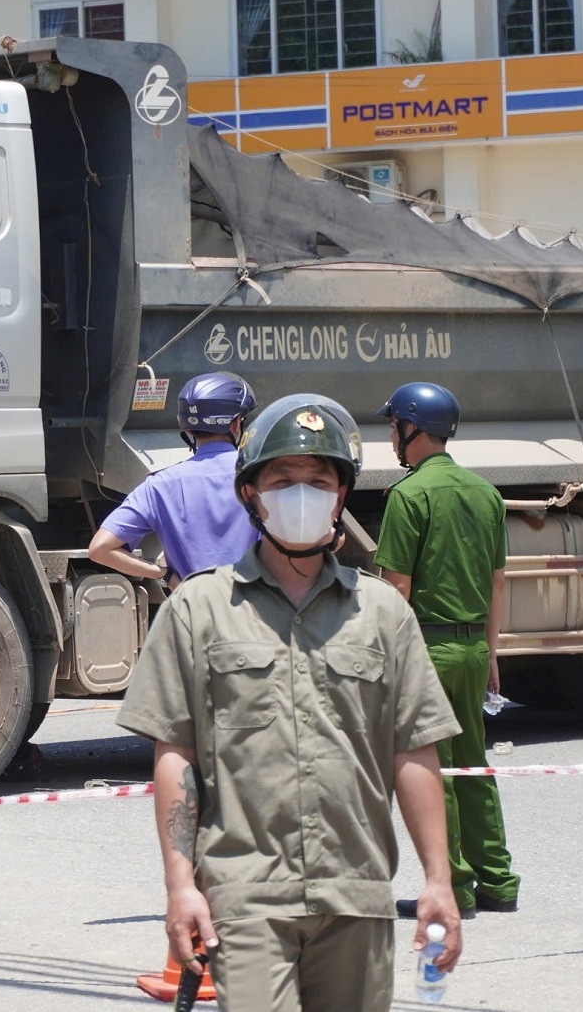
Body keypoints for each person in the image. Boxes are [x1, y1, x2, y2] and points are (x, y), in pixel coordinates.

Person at [119, 393, 464, 1010]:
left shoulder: (383, 614)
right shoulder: (198, 610)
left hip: (357, 896)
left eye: (318, 480)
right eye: (282, 479)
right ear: (250, 494)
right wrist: (180, 887)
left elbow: (413, 751)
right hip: (244, 897)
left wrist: (438, 880)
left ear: (340, 497)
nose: (300, 492)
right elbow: (176, 755)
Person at [374, 381, 521, 917]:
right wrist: (492, 653)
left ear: (413, 428)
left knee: (436, 769)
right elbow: (499, 581)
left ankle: (454, 887)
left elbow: (396, 592)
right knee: (473, 766)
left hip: (427, 649)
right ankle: (498, 880)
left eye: (394, 426)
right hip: (473, 647)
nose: (391, 436)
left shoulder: (409, 496)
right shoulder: (485, 493)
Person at [87, 372, 260, 585]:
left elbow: (99, 549)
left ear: (187, 428)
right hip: (256, 611)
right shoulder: (263, 476)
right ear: (235, 424)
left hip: (193, 611)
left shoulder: (159, 485)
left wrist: (164, 574)